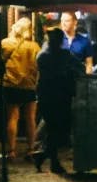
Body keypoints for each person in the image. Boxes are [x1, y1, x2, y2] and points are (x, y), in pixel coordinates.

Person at [33, 27, 80, 174]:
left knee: (53, 129)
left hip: (46, 96)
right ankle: (50, 160)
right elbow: (79, 68)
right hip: (61, 96)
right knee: (59, 129)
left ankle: (46, 156)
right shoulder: (64, 55)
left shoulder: (42, 55)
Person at [0, 17, 40, 160]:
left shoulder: (6, 43)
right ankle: (30, 149)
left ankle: (11, 151)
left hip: (11, 84)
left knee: (12, 117)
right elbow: (38, 65)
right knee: (30, 118)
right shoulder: (34, 46)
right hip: (29, 85)